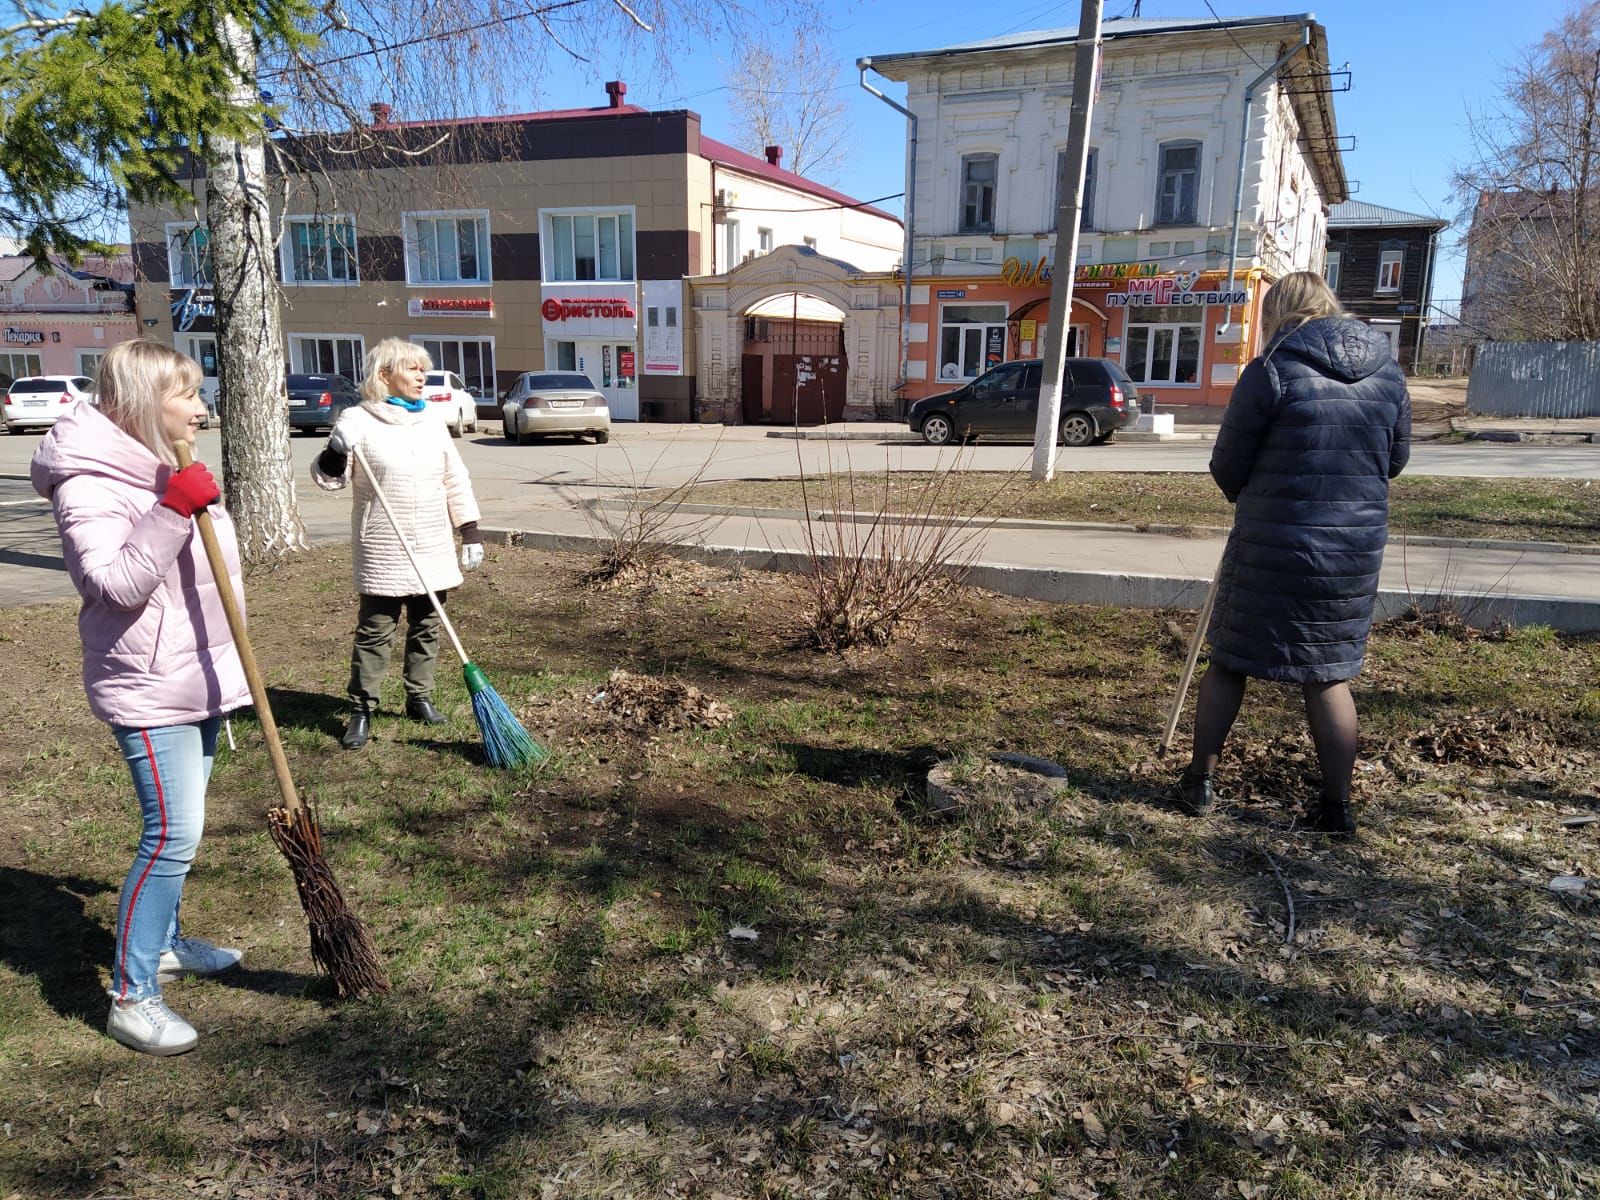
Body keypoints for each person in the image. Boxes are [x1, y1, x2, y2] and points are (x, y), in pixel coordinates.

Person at [30, 339, 248, 1056]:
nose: (198, 405)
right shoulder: (88, 479)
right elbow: (115, 584)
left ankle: (164, 944)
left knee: (184, 832)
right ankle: (131, 996)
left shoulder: (161, 462)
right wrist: (171, 511)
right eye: (183, 394)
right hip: (148, 685)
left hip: (199, 670)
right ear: (138, 402)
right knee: (170, 836)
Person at [1177, 271, 1411, 834]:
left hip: (1272, 544)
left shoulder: (1272, 370)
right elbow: (1395, 460)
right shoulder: (1388, 374)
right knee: (1328, 674)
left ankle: (1200, 784)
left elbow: (1227, 465)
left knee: (1231, 659)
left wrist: (1257, 492)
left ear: (1277, 312)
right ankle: (1337, 809)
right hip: (1352, 552)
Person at [312, 338, 483, 750]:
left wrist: (470, 531)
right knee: (375, 630)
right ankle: (362, 709)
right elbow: (330, 479)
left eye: (423, 368)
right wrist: (336, 449)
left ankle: (418, 697)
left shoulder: (431, 421)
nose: (422, 376)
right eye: (412, 368)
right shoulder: (357, 420)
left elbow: (454, 479)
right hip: (383, 545)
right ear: (384, 375)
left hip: (431, 541)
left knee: (426, 625)